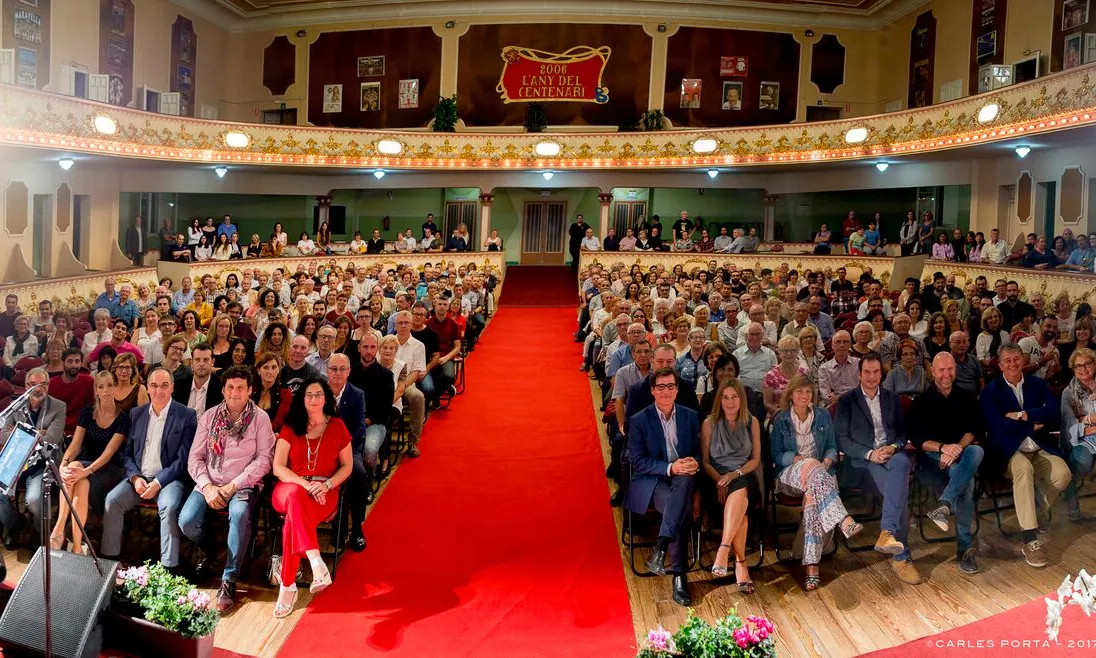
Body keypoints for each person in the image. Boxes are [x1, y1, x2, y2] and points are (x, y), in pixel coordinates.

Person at [181, 366, 274, 612]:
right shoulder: (209, 417)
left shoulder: (261, 419)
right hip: (209, 482)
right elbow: (195, 458)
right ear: (223, 390)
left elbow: (264, 460)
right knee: (186, 521)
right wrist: (208, 487)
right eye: (230, 387)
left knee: (241, 514)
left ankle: (229, 578)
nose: (235, 392)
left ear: (250, 390)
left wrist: (234, 485)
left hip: (242, 484)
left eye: (240, 388)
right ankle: (210, 549)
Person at [979, 343, 1070, 568]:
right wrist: (1033, 423)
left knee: (1063, 475)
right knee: (1024, 470)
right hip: (1009, 451)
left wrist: (1022, 415)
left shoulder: (1038, 384)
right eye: (1007, 360)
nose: (1013, 364)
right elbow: (997, 427)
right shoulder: (990, 391)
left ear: (1024, 360)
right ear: (1000, 365)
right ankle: (1030, 539)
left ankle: (1039, 508)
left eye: (1016, 359)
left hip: (1040, 447)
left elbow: (1053, 412)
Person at [270, 379, 354, 618]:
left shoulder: (337, 426)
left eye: (318, 394)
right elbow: (278, 467)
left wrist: (326, 485)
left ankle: (288, 586)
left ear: (326, 398)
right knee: (296, 496)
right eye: (309, 395)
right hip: (290, 486)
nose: (314, 399)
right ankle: (316, 562)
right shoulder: (291, 427)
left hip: (324, 492)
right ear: (302, 399)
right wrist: (305, 484)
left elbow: (347, 467)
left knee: (291, 524)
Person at [835, 353, 921, 585]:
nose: (872, 377)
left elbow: (902, 435)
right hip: (862, 464)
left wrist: (892, 448)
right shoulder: (847, 401)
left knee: (902, 462)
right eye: (867, 372)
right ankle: (902, 556)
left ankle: (887, 532)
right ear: (859, 374)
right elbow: (842, 440)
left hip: (890, 457)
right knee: (899, 491)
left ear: (881, 374)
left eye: (876, 372)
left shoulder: (892, 398)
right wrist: (871, 454)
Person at [771, 375, 863, 590]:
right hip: (790, 476)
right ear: (791, 394)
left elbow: (831, 446)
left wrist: (827, 461)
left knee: (812, 499)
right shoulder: (781, 419)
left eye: (808, 392)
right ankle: (843, 518)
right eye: (799, 391)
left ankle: (812, 566)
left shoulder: (822, 416)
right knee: (811, 464)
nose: (804, 396)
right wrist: (799, 460)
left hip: (819, 475)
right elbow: (776, 455)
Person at [101, 369, 198, 570]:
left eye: (164, 385)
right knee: (112, 500)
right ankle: (110, 561)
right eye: (154, 385)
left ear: (172, 387)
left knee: (169, 507)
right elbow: (125, 455)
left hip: (169, 480)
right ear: (148, 387)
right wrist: (135, 478)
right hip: (139, 478)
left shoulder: (186, 416)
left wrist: (158, 482)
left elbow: (183, 460)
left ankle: (168, 568)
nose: (159, 390)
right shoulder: (136, 414)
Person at [625, 368, 699, 606]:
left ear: (677, 390)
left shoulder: (690, 416)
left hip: (683, 477)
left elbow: (697, 450)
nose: (666, 392)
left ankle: (661, 549)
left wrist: (694, 461)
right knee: (674, 505)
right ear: (652, 391)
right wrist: (670, 468)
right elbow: (636, 462)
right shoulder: (639, 420)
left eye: (670, 386)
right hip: (652, 480)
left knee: (684, 482)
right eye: (660, 387)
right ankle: (679, 573)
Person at [909, 353, 985, 574]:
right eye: (941, 370)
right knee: (967, 483)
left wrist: (958, 448)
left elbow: (975, 429)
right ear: (932, 371)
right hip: (933, 461)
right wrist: (944, 448)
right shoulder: (921, 401)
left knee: (976, 450)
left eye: (950, 369)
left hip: (961, 454)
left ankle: (944, 504)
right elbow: (916, 438)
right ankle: (964, 547)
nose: (946, 374)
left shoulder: (967, 396)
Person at [699, 378, 760, 592]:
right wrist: (720, 480)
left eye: (734, 396)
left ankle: (723, 550)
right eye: (725, 397)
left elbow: (755, 460)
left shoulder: (751, 422)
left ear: (741, 399)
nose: (730, 401)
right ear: (719, 400)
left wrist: (735, 474)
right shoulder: (709, 424)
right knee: (740, 513)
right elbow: (705, 462)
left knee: (741, 489)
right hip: (716, 480)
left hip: (743, 475)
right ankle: (741, 564)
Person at [0, 368, 65, 544]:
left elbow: (51, 439)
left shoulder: (58, 407)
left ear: (48, 386)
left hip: (41, 463)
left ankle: (41, 534)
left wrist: (19, 433)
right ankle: (15, 525)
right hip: (15, 461)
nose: (37, 388)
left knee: (34, 500)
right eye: (32, 384)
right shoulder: (16, 405)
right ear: (25, 386)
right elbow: (2, 434)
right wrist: (38, 433)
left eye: (42, 384)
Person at [325, 354, 368, 551]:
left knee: (359, 475)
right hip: (320, 450)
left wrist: (340, 450)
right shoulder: (317, 392)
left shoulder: (357, 394)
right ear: (327, 370)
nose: (338, 373)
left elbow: (359, 429)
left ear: (349, 372)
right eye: (334, 369)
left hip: (348, 449)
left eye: (342, 369)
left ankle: (357, 527)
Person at [1061, 347, 1096, 521]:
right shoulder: (1068, 393)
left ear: (1094, 364)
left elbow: (1080, 421)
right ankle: (1070, 493)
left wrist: (1085, 418)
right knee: (1082, 461)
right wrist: (1091, 423)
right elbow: (1071, 426)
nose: (1082, 369)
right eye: (1078, 366)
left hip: (1086, 432)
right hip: (1080, 440)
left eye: (1087, 364)